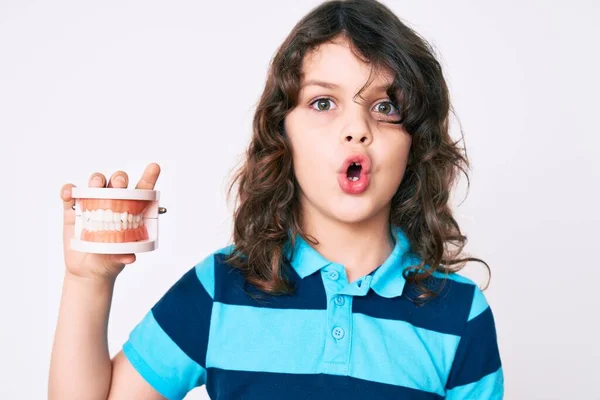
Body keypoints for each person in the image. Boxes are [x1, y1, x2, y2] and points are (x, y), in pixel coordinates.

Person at [48, 0, 504, 398]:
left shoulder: (460, 316)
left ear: (415, 143)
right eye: (323, 103)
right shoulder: (219, 290)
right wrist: (88, 282)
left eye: (386, 107)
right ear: (280, 131)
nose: (356, 128)